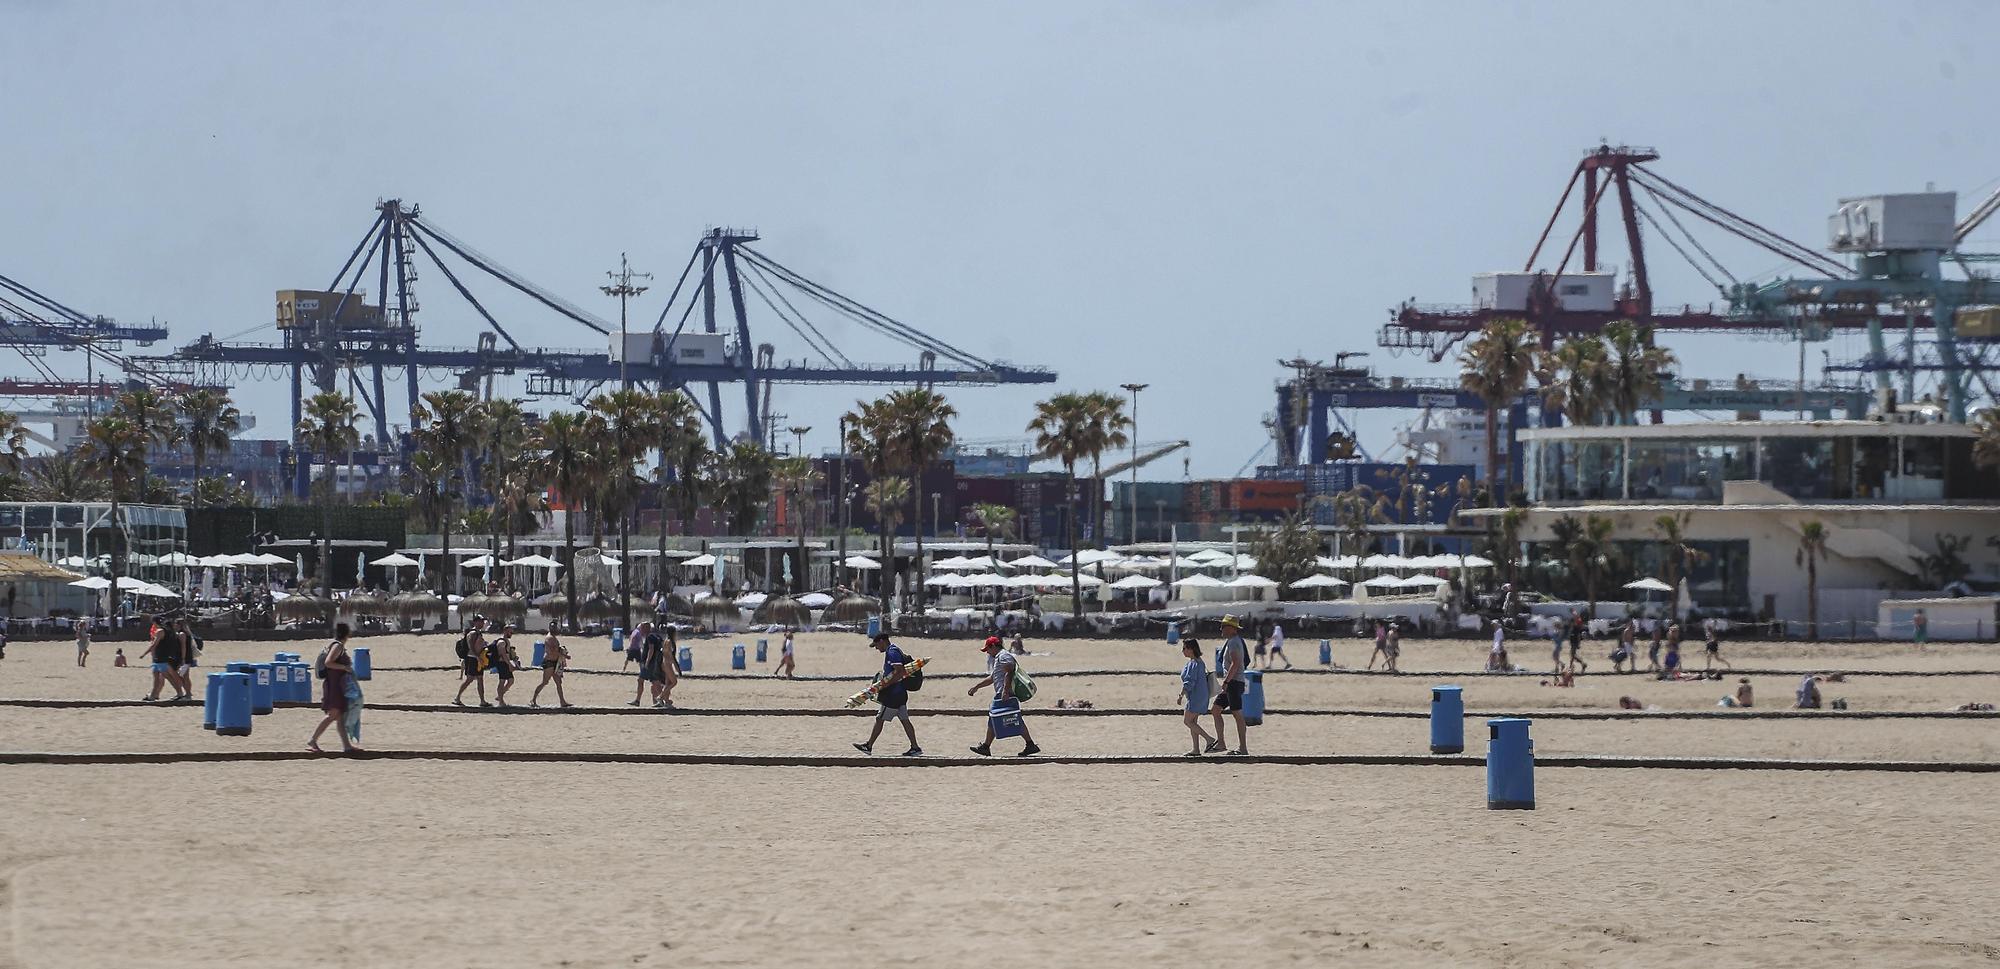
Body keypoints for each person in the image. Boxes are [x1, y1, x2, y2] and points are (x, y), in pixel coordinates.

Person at [969, 634, 1039, 757]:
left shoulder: (1003, 655)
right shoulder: (999, 657)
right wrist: (977, 687)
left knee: (1009, 717)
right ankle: (987, 746)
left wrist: (1006, 690)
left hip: (1005, 693)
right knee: (995, 717)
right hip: (1002, 693)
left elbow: (1009, 671)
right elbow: (993, 678)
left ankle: (1029, 744)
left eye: (988, 649)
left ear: (994, 646)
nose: (987, 653)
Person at [854, 632, 921, 756]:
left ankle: (868, 746)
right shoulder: (894, 650)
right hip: (900, 693)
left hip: (893, 694)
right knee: (905, 720)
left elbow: (899, 671)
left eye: (876, 645)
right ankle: (915, 747)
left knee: (879, 719)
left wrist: (885, 684)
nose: (876, 648)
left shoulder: (892, 652)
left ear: (882, 641)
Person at [308, 622, 363, 754]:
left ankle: (347, 746)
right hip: (334, 686)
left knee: (340, 717)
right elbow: (328, 662)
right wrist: (345, 667)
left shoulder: (338, 645)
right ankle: (312, 740)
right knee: (333, 714)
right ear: (347, 634)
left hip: (337, 685)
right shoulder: (337, 646)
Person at [1206, 615, 1250, 756]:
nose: (1221, 628)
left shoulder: (1233, 642)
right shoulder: (1232, 641)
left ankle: (1243, 748)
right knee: (1216, 710)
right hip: (1232, 681)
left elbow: (1235, 663)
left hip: (1234, 682)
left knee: (1237, 714)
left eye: (1224, 626)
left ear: (1232, 628)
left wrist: (1226, 682)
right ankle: (1221, 743)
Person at [1177, 638, 1217, 756]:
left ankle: (1209, 739)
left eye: (1184, 648)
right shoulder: (1198, 662)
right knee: (1193, 722)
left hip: (1196, 697)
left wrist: (1180, 695)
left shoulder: (1194, 663)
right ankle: (1196, 749)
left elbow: (1189, 682)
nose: (1182, 651)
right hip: (1201, 696)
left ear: (1191, 649)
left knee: (1187, 721)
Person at [138, 621, 184, 702]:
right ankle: (153, 695)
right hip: (158, 657)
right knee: (156, 676)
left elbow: (154, 645)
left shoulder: (161, 631)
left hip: (161, 657)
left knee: (167, 676)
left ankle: (179, 692)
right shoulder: (170, 633)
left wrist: (144, 654)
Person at [530, 624, 571, 708]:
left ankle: (562, 701)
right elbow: (552, 651)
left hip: (555, 662)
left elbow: (556, 649)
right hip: (549, 662)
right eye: (553, 628)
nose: (555, 629)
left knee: (558, 682)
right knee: (545, 682)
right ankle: (533, 699)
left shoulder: (554, 637)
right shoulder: (549, 638)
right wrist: (564, 656)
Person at [452, 616, 490, 707]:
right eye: (480, 622)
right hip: (472, 658)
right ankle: (457, 698)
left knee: (480, 679)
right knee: (469, 679)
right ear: (476, 622)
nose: (482, 623)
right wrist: (478, 657)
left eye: (482, 622)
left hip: (477, 658)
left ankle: (482, 701)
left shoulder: (478, 633)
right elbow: (471, 647)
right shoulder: (472, 633)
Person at [486, 622, 517, 707]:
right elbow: (502, 654)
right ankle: (501, 701)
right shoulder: (502, 642)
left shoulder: (506, 641)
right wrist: (509, 664)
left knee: (510, 680)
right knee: (502, 681)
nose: (511, 634)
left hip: (505, 663)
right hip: (502, 663)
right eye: (510, 632)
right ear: (505, 631)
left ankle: (499, 696)